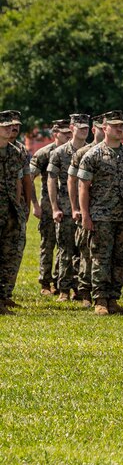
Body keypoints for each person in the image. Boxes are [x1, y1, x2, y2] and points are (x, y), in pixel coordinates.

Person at [77, 111, 123, 316]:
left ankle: (114, 298)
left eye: (121, 126)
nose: (119, 129)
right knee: (100, 258)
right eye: (115, 126)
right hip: (101, 216)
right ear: (104, 128)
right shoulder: (92, 155)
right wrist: (86, 215)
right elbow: (83, 187)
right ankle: (100, 299)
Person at [48, 114, 89, 302]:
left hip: (87, 209)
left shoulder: (92, 151)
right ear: (71, 128)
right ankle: (64, 289)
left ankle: (81, 289)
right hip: (65, 210)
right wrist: (55, 207)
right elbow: (51, 180)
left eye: (86, 127)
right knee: (65, 251)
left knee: (85, 251)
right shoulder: (59, 152)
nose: (84, 131)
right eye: (80, 127)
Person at [69, 114, 105, 306]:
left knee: (101, 255)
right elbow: (73, 182)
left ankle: (102, 292)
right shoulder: (83, 153)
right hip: (87, 210)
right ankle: (84, 292)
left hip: (106, 212)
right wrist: (77, 209)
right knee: (85, 252)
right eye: (100, 127)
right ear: (95, 130)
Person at [30, 119, 69, 296]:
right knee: (48, 244)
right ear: (55, 134)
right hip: (48, 205)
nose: (68, 135)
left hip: (68, 205)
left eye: (70, 132)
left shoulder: (73, 152)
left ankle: (60, 281)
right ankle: (45, 283)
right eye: (64, 133)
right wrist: (35, 205)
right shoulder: (44, 153)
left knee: (66, 245)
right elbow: (29, 179)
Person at [0, 110, 32, 313]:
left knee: (11, 254)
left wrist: (24, 205)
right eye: (6, 125)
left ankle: (2, 298)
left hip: (12, 210)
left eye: (14, 125)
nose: (12, 128)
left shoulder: (16, 152)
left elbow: (20, 181)